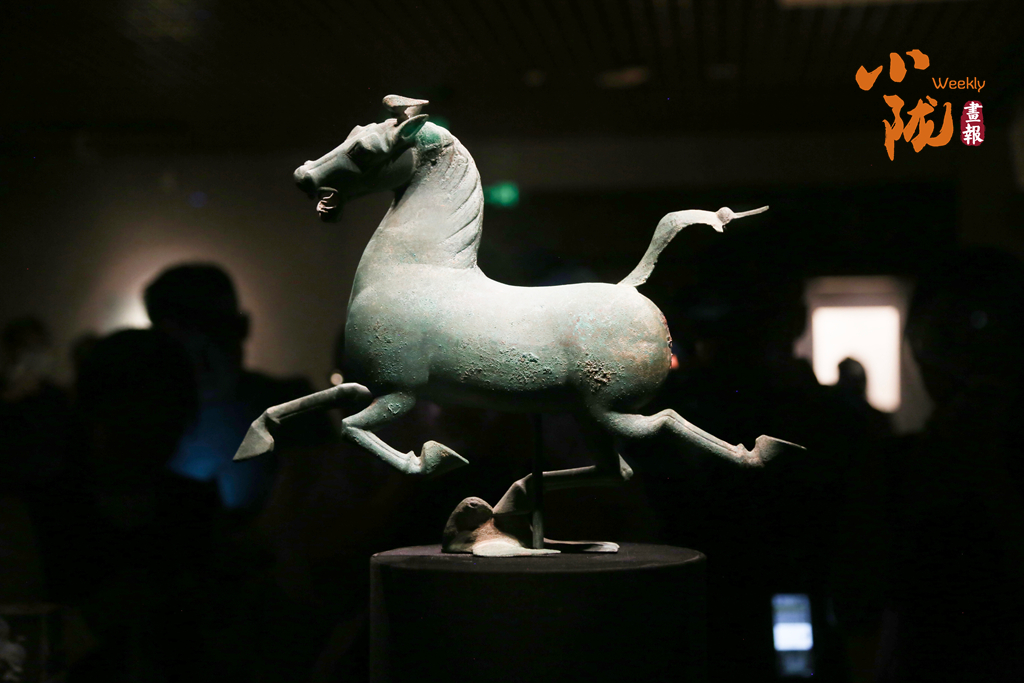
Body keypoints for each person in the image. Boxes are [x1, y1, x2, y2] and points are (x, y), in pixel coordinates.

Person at [143, 263, 335, 513]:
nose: (202, 353)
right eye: (184, 337)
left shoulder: (296, 410)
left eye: (216, 331)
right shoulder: (144, 424)